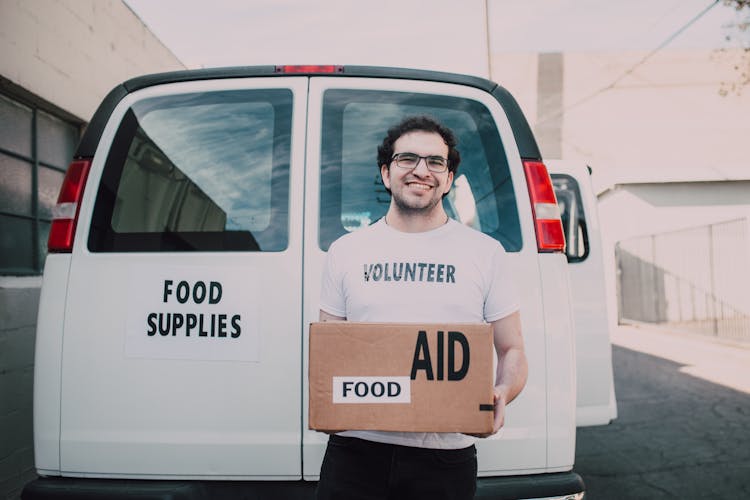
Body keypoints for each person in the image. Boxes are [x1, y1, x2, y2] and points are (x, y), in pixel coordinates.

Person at [316, 115, 528, 500]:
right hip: (355, 454)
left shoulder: (485, 253)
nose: (421, 170)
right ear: (386, 173)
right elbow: (331, 353)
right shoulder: (345, 252)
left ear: (448, 179)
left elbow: (512, 349)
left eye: (435, 162)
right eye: (407, 159)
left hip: (444, 458)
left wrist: (501, 392)